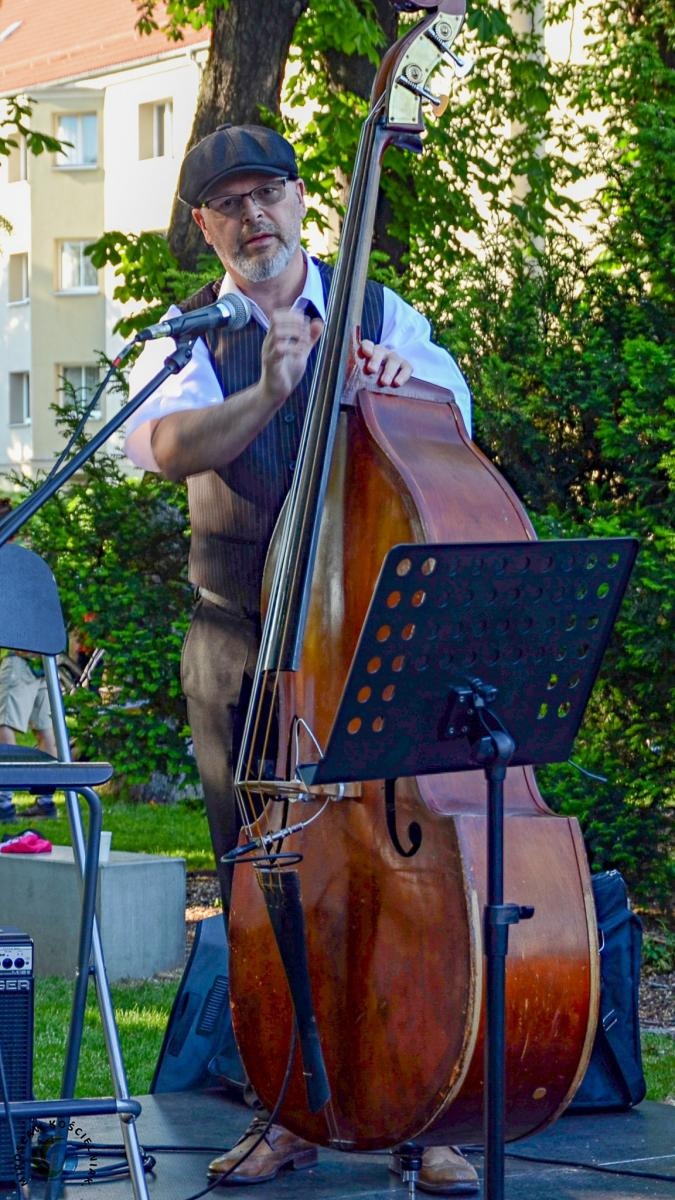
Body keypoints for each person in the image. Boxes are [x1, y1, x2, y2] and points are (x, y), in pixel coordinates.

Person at [125, 124, 478, 1196]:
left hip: (371, 644)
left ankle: (427, 1116)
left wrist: (392, 392)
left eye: (266, 193)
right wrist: (268, 393)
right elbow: (163, 448)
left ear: (299, 199)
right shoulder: (190, 337)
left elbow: (454, 425)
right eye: (227, 204)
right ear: (204, 227)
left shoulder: (382, 311)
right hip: (240, 645)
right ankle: (286, 1108)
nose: (252, 218)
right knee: (258, 886)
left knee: (404, 888)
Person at [0, 499, 58, 823]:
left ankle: (4, 799)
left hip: (20, 657)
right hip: (46, 659)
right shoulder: (34, 556)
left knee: (4, 725)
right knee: (45, 729)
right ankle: (46, 799)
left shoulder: (6, 559)